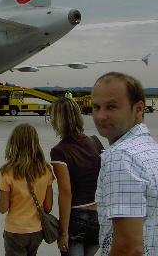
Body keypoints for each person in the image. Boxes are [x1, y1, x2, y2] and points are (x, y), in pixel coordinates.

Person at [91, 72, 158, 256]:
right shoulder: (157, 153)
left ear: (138, 109)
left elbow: (129, 248)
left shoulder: (121, 156)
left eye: (111, 107)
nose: (100, 116)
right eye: (96, 107)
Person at [49, 97, 104, 256]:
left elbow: (65, 192)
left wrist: (64, 232)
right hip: (99, 217)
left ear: (59, 120)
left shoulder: (59, 151)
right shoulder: (95, 142)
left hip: (77, 219)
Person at [0, 123, 54, 256]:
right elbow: (48, 207)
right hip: (36, 231)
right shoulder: (46, 170)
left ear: (14, 144)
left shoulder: (7, 171)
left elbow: (2, 208)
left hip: (15, 230)